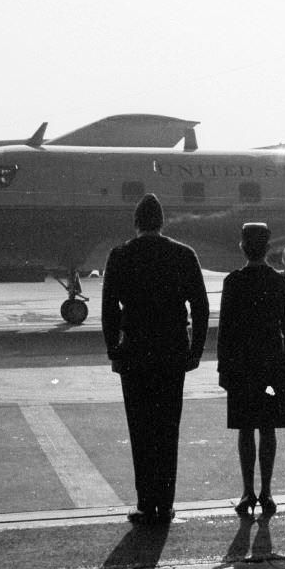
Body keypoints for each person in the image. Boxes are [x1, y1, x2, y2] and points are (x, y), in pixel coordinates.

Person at [101, 194, 209, 524]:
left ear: (136, 223)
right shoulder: (183, 254)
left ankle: (146, 502)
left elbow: (108, 310)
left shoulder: (119, 256)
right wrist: (195, 351)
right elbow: (201, 307)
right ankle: (166, 501)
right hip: (172, 352)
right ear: (162, 222)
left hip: (135, 353)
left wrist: (113, 350)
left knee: (141, 430)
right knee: (168, 429)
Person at [217, 222, 285, 517]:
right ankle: (267, 492)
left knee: (245, 428)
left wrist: (224, 370)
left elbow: (225, 331)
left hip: (241, 365)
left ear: (242, 247)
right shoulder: (281, 282)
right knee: (268, 428)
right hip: (272, 364)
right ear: (268, 247)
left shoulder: (233, 281)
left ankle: (247, 491)